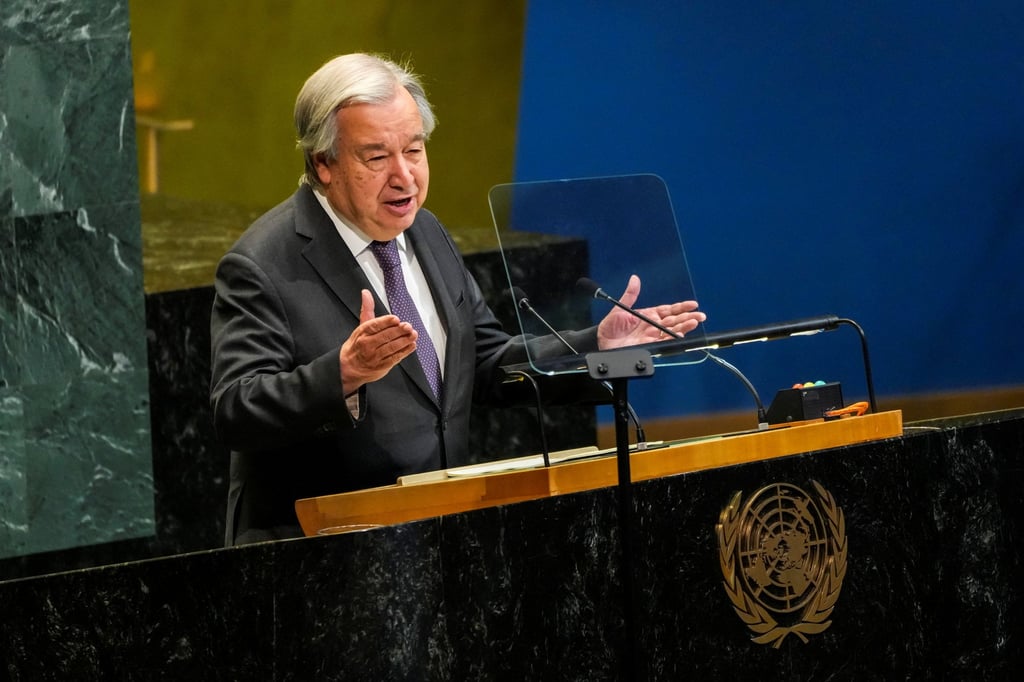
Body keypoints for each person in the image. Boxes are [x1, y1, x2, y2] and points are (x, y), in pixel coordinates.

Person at [210, 53, 706, 546]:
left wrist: (597, 345)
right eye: (377, 157)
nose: (404, 176)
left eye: (415, 150)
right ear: (324, 164)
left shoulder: (425, 231)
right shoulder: (263, 264)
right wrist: (344, 374)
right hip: (319, 554)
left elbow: (486, 363)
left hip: (438, 535)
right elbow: (235, 410)